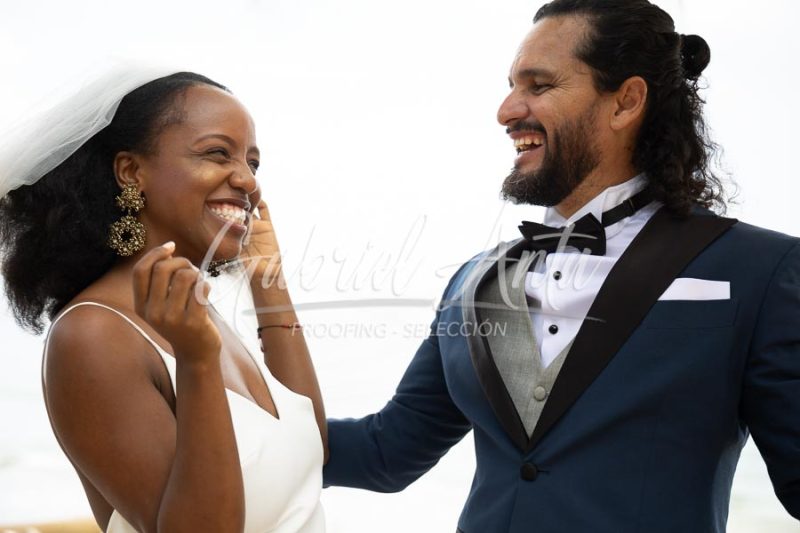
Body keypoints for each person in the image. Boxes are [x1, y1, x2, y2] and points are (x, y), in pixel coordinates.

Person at [321, 1, 800, 532]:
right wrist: (244, 420)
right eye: (511, 86)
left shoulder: (760, 270)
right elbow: (386, 450)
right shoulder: (473, 280)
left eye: (539, 85)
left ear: (626, 102)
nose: (506, 111)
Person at [0, 68, 327, 532]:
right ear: (132, 172)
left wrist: (268, 282)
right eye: (217, 153)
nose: (247, 181)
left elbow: (313, 451)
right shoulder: (94, 334)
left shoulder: (197, 317)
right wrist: (197, 361)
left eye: (252, 163)